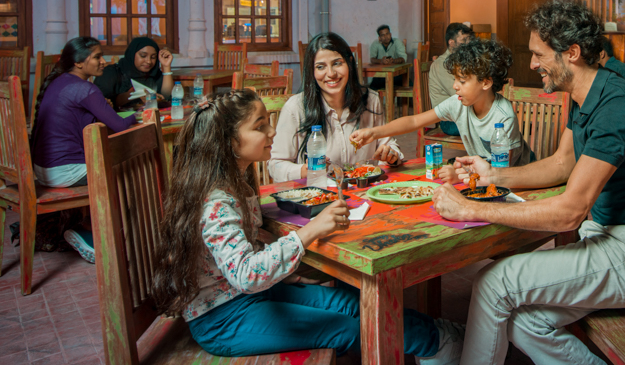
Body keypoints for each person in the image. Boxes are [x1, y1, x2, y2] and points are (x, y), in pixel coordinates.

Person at [431, 0, 625, 365]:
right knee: (523, 322)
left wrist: (469, 207)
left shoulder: (616, 103)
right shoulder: (586, 94)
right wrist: (493, 175)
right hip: (607, 238)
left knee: (493, 282)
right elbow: (563, 163)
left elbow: (569, 212)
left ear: (573, 53)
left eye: (539, 54)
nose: (532, 64)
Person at [151, 90, 463, 361]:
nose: (272, 133)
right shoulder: (216, 200)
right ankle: (441, 344)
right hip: (223, 318)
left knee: (347, 301)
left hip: (249, 297)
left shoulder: (237, 183)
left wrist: (291, 274)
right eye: (260, 127)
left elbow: (244, 254)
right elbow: (246, 274)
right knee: (346, 327)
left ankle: (435, 337)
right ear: (228, 140)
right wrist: (311, 231)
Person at [30, 36, 137, 262]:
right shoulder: (85, 88)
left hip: (44, 170)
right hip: (65, 171)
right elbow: (118, 125)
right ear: (79, 63)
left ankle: (88, 227)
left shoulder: (60, 81)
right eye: (97, 57)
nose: (103, 62)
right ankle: (97, 238)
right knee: (132, 169)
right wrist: (139, 114)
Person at [351, 38, 528, 170]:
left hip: (517, 179)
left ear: (486, 83)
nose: (454, 86)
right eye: (455, 79)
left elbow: (503, 171)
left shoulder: (503, 115)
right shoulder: (458, 103)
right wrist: (374, 133)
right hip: (484, 174)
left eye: (463, 81)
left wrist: (462, 172)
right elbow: (414, 122)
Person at [269, 33, 402, 183]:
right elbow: (276, 165)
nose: (331, 74)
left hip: (363, 195)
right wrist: (305, 170)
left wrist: (391, 154)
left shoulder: (371, 100)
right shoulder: (295, 108)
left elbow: (388, 144)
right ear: (312, 71)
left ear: (350, 63)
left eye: (337, 63)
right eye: (320, 67)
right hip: (319, 197)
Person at [93, 36, 174, 110]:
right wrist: (133, 94)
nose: (149, 61)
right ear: (132, 54)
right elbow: (102, 103)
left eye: (153, 57)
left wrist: (166, 67)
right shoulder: (112, 73)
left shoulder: (154, 73)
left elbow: (167, 97)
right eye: (143, 56)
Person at [429, 22, 475, 135]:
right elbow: (459, 93)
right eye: (464, 40)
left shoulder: (460, 60)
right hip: (449, 120)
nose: (468, 43)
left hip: (463, 113)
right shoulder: (442, 64)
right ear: (451, 43)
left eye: (469, 39)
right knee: (488, 124)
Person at [368, 24, 406, 90]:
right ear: (379, 38)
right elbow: (372, 59)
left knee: (411, 85)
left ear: (390, 34)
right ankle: (372, 100)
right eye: (383, 35)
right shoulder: (375, 44)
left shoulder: (397, 42)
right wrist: (381, 61)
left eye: (387, 34)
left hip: (397, 75)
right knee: (372, 89)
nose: (386, 37)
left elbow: (403, 58)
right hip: (381, 76)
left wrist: (393, 61)